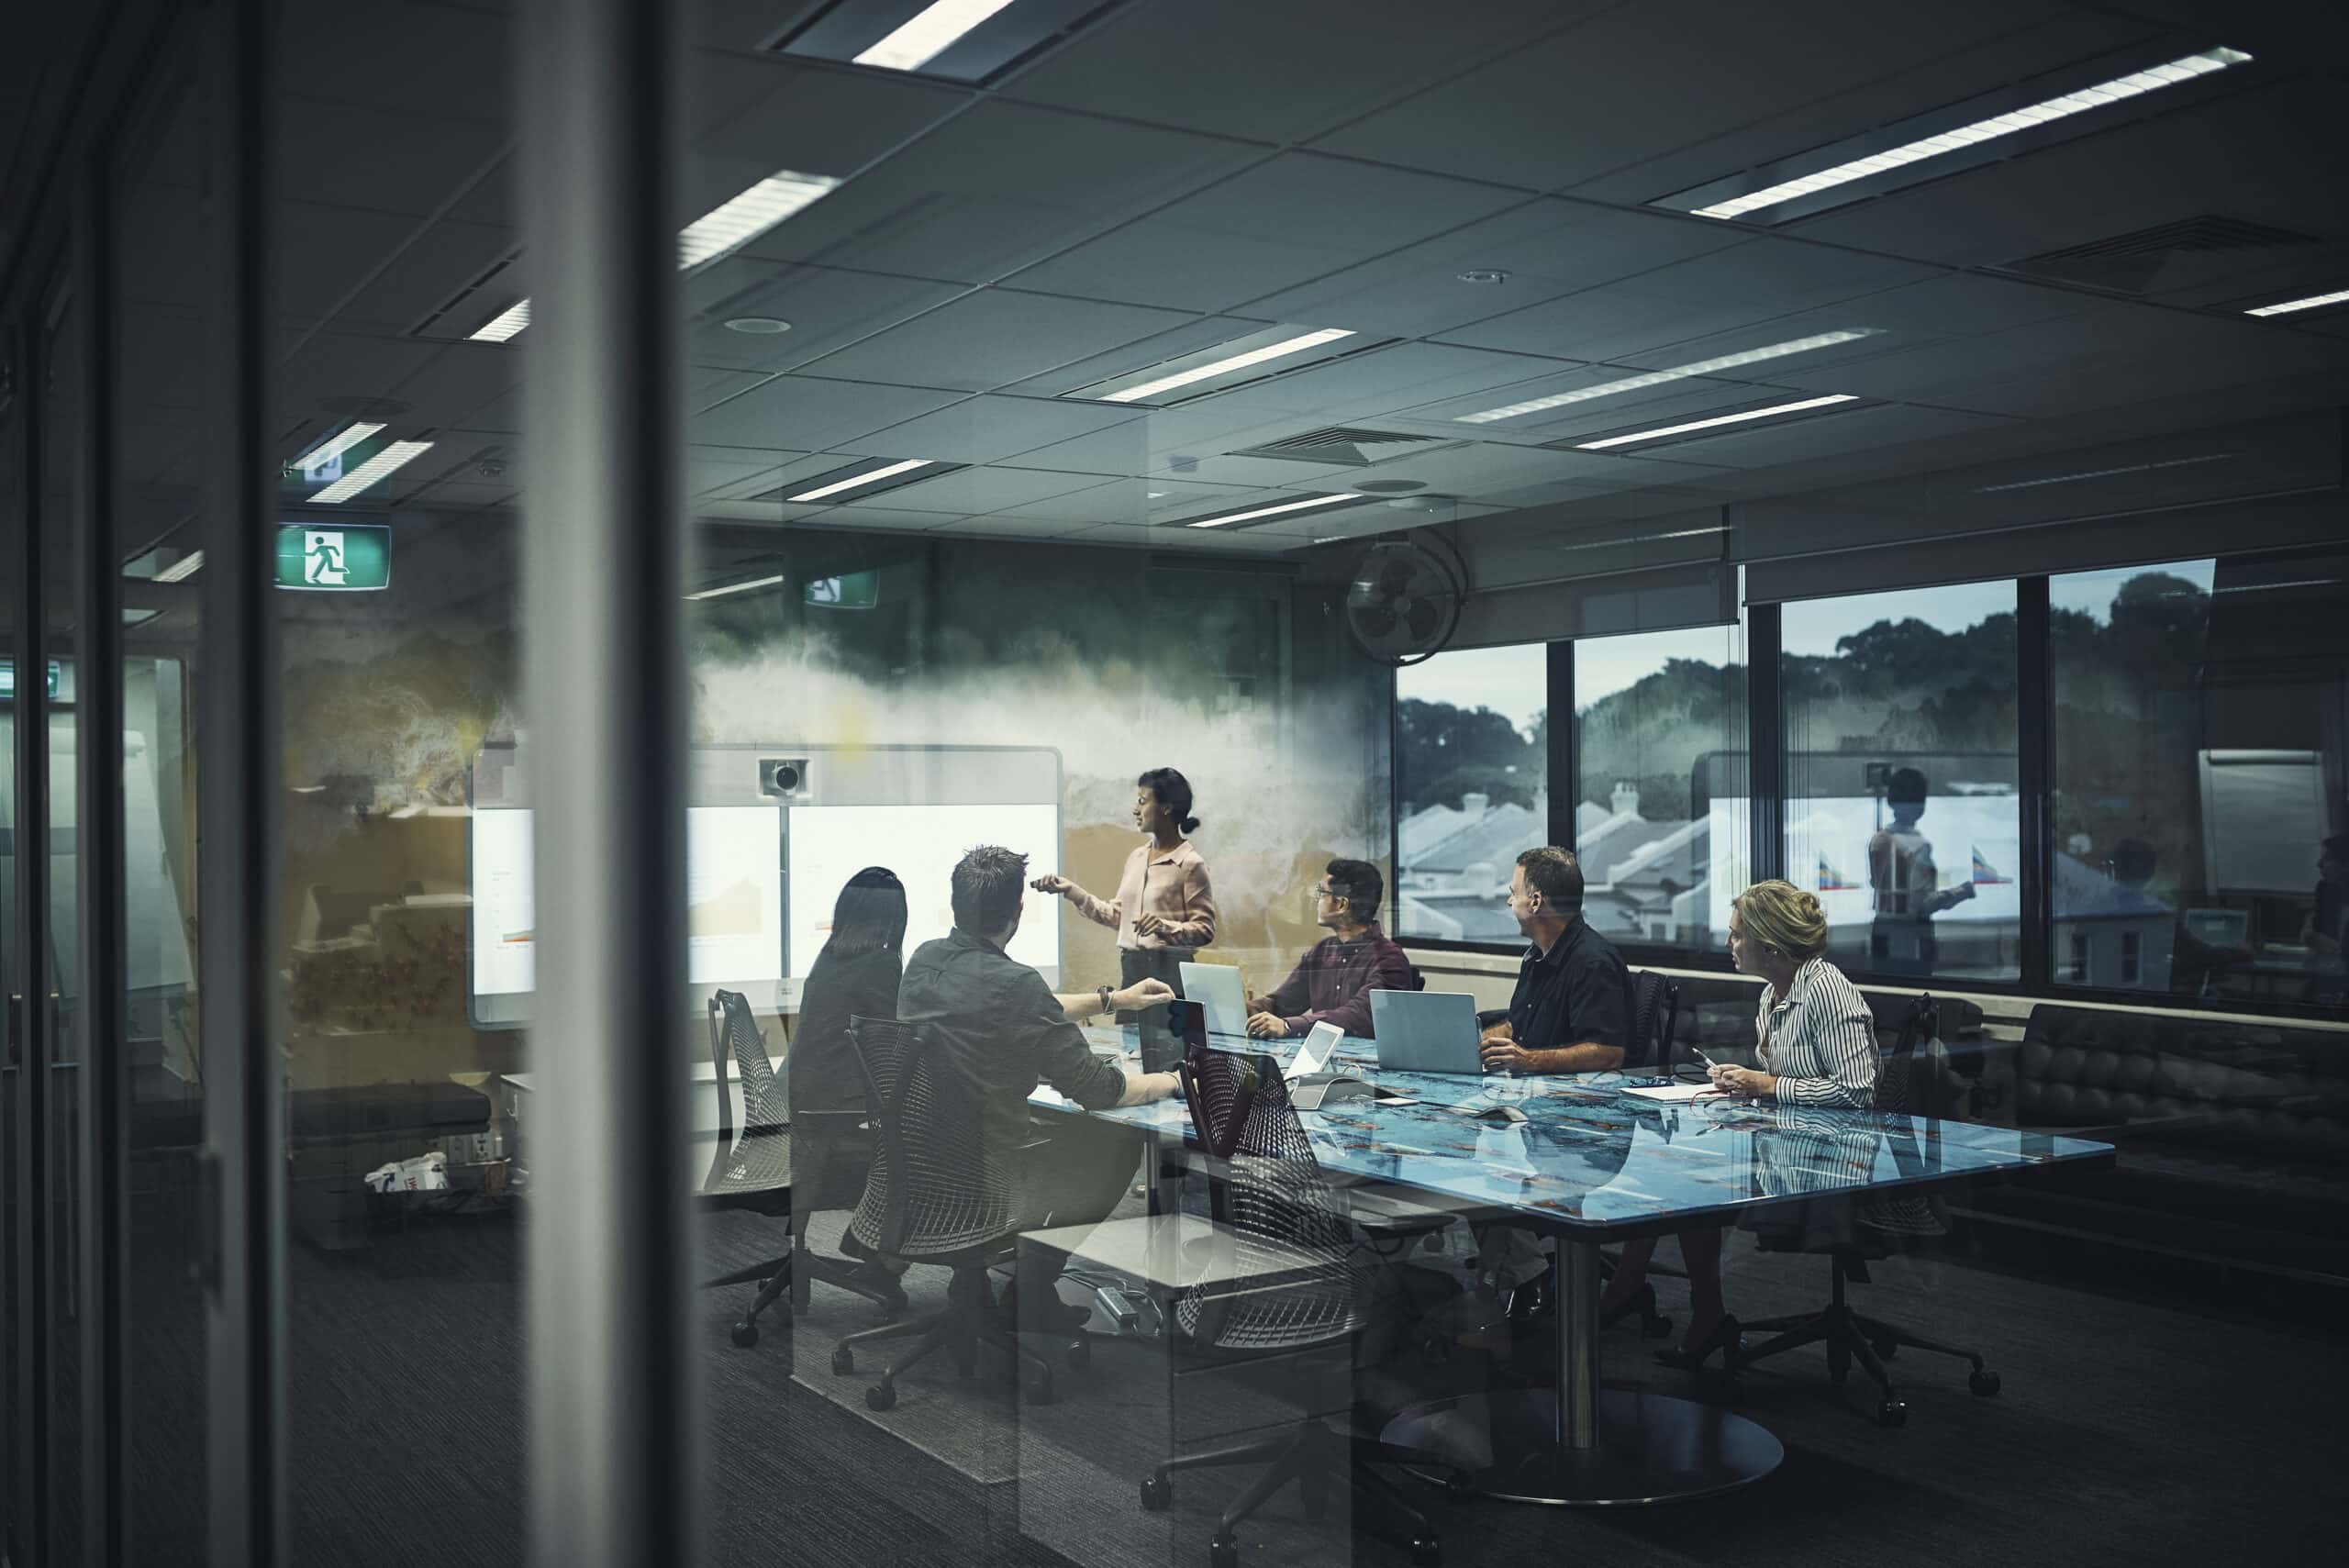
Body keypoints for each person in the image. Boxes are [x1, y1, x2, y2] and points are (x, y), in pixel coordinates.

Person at [902, 844, 1183, 1329]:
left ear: (954, 903)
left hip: (925, 1161)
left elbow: (1026, 1004)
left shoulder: (926, 960)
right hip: (989, 1174)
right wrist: (1173, 1080)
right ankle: (1031, 1291)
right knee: (1115, 1140)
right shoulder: (1015, 984)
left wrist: (1114, 1000)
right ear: (1018, 909)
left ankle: (970, 1283)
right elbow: (1098, 1089)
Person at [1599, 879, 1877, 1368]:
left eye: (1736, 935)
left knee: (1687, 1181)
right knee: (1669, 1166)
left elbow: (1857, 1092)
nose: (1729, 943)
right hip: (1791, 1141)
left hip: (1837, 1158)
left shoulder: (1828, 991)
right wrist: (1744, 1083)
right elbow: (1784, 1081)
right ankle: (1660, 1296)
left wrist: (1766, 1084)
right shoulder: (1774, 994)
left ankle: (1661, 1300)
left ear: (1769, 945)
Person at [1471, 848, 1631, 1316]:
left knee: (1485, 1185)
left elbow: (1608, 1053)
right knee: (1461, 1161)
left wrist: (1530, 1060)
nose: (1509, 901)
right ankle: (1524, 1278)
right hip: (1536, 1115)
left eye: (1513, 893)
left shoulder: (1592, 962)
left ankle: (1528, 1286)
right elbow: (1520, 1025)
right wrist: (1481, 1039)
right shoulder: (1537, 957)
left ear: (1536, 901)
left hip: (1585, 1132)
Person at [1032, 767, 1218, 1070]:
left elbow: (1205, 929)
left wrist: (1165, 927)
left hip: (1170, 978)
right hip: (1132, 974)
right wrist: (1071, 891)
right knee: (1132, 1060)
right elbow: (1116, 916)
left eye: (1143, 801)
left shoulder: (1190, 863)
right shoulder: (1136, 857)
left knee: (1172, 1066)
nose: (1135, 809)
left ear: (1166, 807)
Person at [790, 867, 912, 1291]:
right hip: (830, 1108)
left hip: (805, 1099)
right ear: (895, 917)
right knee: (929, 1143)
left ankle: (878, 1253)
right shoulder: (880, 962)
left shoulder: (831, 954)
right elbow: (898, 1040)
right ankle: (886, 1258)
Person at [1244, 858, 1412, 1040]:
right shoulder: (1322, 951)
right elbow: (1283, 1002)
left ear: (1341, 905)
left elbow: (1355, 1016)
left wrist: (1287, 1026)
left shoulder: (1389, 959)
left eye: (1321, 892)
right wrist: (1244, 1009)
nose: (1316, 899)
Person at [1867, 766, 1974, 974]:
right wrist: (1961, 892)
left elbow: (1876, 883)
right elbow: (1923, 904)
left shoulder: (1878, 840)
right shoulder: (1918, 846)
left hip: (1881, 929)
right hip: (1911, 935)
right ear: (1920, 805)